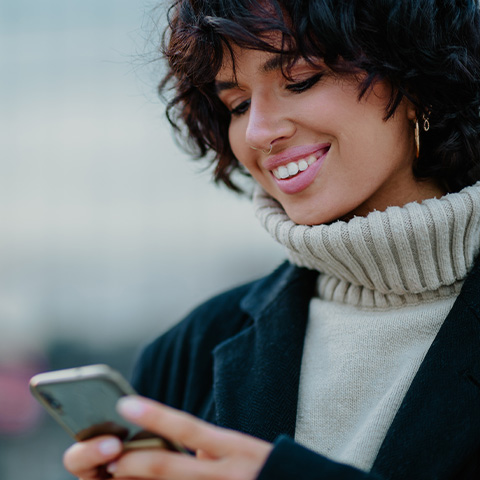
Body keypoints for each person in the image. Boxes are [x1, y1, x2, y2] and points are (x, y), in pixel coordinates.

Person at [63, 0, 480, 478]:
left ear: (417, 80)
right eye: (237, 105)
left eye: (299, 80)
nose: (259, 131)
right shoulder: (188, 350)